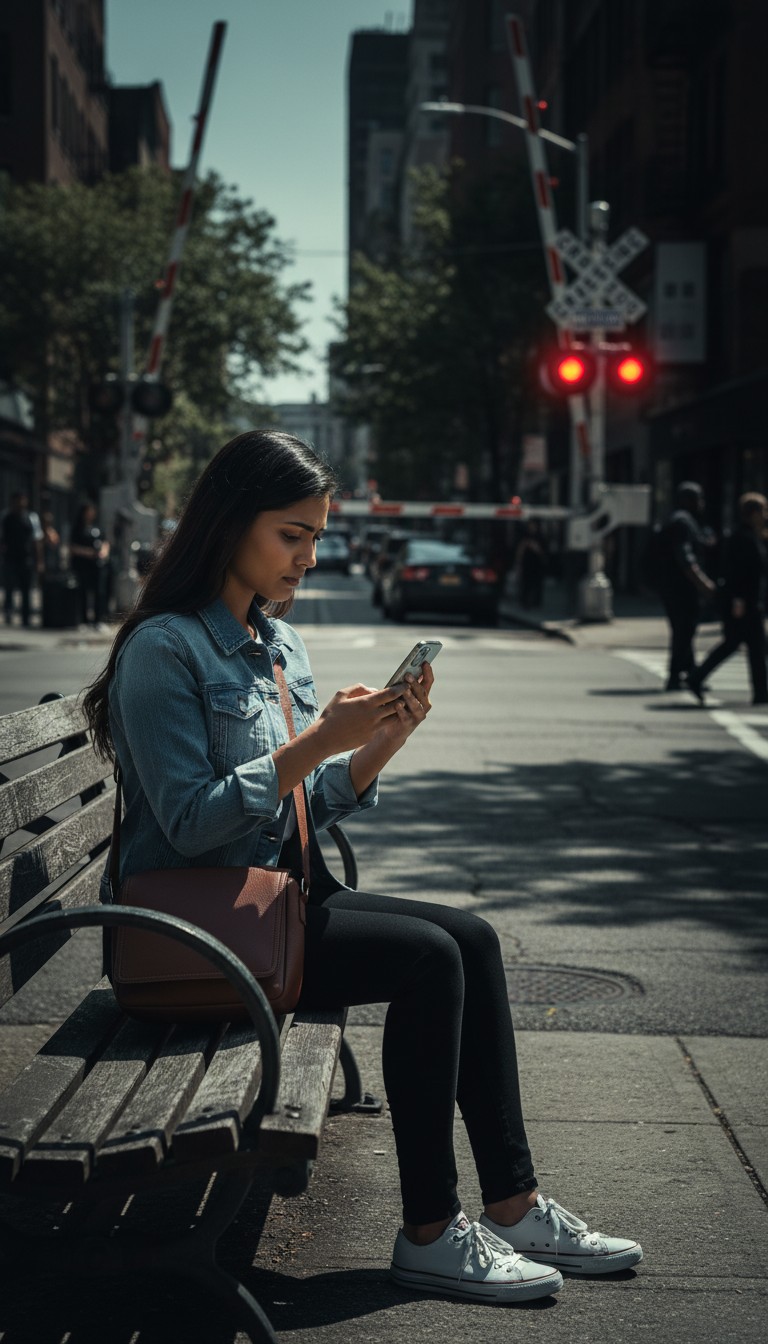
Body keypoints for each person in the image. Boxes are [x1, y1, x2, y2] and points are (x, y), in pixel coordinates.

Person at [83, 430, 642, 1305]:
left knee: (474, 936)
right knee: (430, 958)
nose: (310, 556)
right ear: (229, 525)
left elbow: (305, 807)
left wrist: (376, 747)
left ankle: (514, 1203)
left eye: (316, 535)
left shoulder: (277, 644)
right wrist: (315, 744)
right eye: (291, 535)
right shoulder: (165, 649)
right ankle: (428, 1231)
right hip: (196, 933)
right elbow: (191, 824)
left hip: (276, 904)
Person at [688, 492, 768, 705]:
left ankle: (697, 678)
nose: (765, 515)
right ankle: (760, 693)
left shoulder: (752, 536)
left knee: (743, 646)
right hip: (744, 603)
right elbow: (738, 572)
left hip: (749, 602)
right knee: (750, 647)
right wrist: (739, 600)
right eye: (762, 511)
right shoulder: (742, 538)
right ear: (752, 513)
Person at [657, 482, 717, 690]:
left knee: (685, 631)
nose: (701, 503)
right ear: (688, 500)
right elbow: (685, 558)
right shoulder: (682, 523)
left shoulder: (681, 521)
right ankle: (675, 675)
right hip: (681, 589)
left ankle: (691, 673)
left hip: (673, 587)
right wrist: (703, 584)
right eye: (698, 498)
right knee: (684, 630)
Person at [1, 491, 41, 626]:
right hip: (10, 558)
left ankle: (26, 617)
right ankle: (8, 614)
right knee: (9, 588)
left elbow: (37, 540)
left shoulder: (31, 517)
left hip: (26, 558)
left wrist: (39, 560)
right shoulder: (6, 517)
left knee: (26, 589)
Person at [70, 501, 110, 626]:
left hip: (97, 566)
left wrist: (103, 552)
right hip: (82, 565)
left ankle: (98, 619)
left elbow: (105, 542)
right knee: (83, 592)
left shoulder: (98, 528)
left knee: (99, 592)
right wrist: (89, 553)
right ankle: (83, 620)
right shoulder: (78, 529)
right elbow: (72, 547)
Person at [514, 520, 546, 609]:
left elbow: (543, 553)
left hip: (537, 565)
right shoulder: (525, 537)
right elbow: (520, 552)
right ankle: (525, 603)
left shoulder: (540, 538)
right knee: (526, 585)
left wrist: (536, 548)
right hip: (527, 565)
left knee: (536, 585)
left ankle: (536, 603)